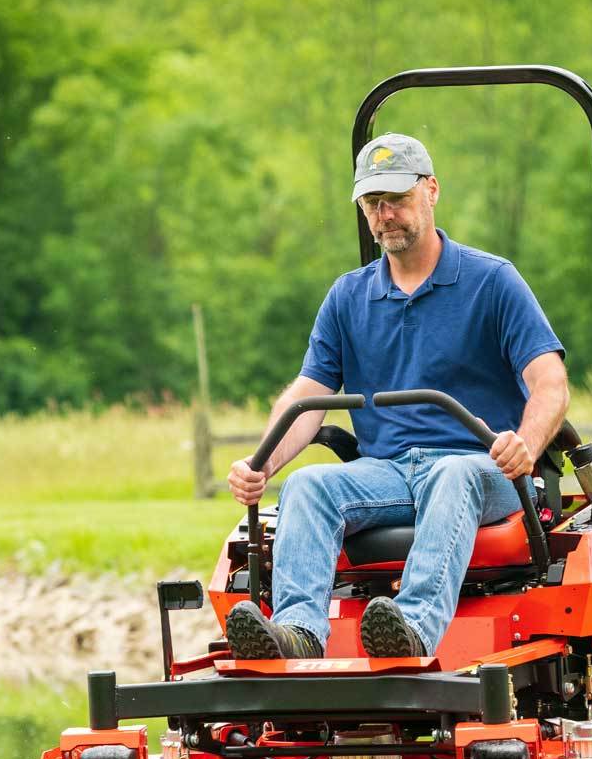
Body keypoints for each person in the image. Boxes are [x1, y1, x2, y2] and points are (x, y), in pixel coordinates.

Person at [225, 132, 569, 660]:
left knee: (453, 475)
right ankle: (298, 633)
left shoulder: (492, 281)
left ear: (431, 191)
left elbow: (549, 381)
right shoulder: (348, 296)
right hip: (387, 470)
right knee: (308, 486)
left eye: (397, 200)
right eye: (372, 204)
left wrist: (524, 442)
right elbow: (308, 396)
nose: (386, 215)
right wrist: (261, 463)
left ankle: (410, 628)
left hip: (484, 469)